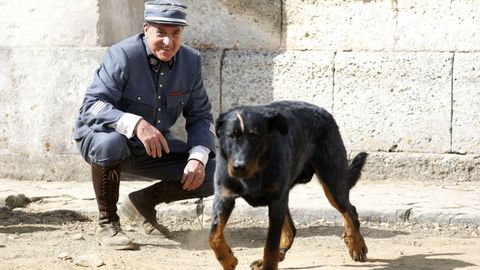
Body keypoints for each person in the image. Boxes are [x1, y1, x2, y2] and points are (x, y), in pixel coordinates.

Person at [73, 0, 216, 250]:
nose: (168, 42)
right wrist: (136, 123)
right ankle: (108, 223)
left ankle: (143, 203)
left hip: (152, 147)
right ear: (146, 29)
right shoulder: (123, 54)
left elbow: (201, 116)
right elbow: (91, 106)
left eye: (176, 33)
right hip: (102, 138)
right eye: (160, 32)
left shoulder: (191, 61)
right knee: (111, 142)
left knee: (214, 171)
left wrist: (197, 157)